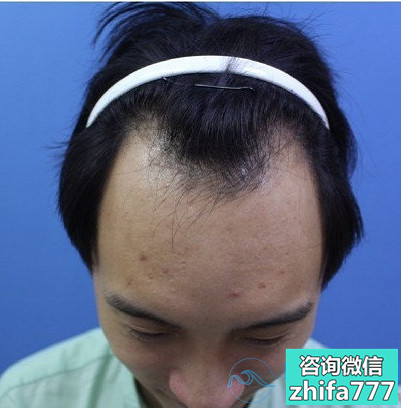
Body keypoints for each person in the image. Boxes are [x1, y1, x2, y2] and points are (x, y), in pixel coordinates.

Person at [0, 3, 397, 408]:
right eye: (149, 332)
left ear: (324, 271)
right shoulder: (27, 397)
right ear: (92, 259)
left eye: (265, 337)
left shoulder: (361, 392)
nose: (205, 399)